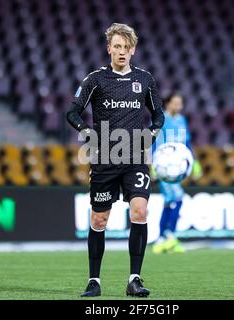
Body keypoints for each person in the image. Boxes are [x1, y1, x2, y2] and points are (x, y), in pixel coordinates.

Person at [66, 23, 165, 297]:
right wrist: (86, 131)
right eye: (117, 46)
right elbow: (72, 112)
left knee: (140, 212)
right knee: (99, 220)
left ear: (133, 50)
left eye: (126, 47)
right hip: (104, 158)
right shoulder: (95, 79)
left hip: (135, 156)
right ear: (109, 48)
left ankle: (135, 279)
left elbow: (159, 115)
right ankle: (94, 281)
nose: (121, 52)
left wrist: (153, 133)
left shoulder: (145, 79)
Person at [151, 92, 202, 254]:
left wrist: (194, 162)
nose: (178, 106)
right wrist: (153, 164)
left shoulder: (181, 120)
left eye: (180, 103)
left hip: (178, 166)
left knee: (169, 201)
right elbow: (153, 141)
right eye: (175, 103)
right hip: (165, 166)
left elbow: (186, 142)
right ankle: (170, 236)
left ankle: (161, 240)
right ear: (168, 103)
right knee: (177, 198)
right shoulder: (160, 119)